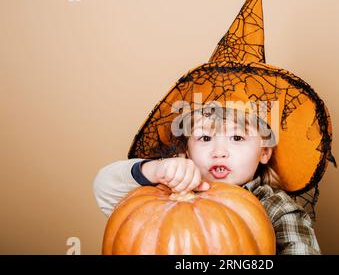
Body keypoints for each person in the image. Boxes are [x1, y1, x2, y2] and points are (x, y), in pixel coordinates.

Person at [94, 107, 321, 255]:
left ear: (264, 153)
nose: (219, 151)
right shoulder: (167, 191)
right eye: (205, 137)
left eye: (237, 137)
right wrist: (155, 170)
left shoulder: (277, 208)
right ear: (188, 151)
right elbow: (105, 187)